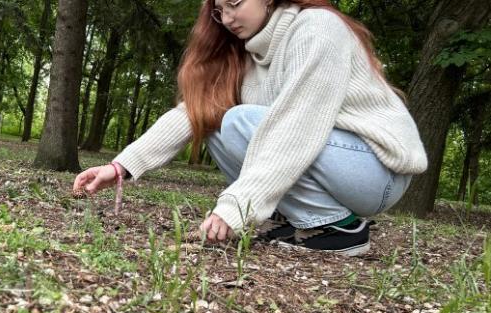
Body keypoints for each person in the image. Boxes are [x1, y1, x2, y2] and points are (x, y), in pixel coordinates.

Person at [71, 0, 427, 256]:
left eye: (235, 4)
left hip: (376, 172)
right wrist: (120, 166)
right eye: (218, 10)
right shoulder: (244, 56)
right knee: (217, 122)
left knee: (239, 120)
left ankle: (342, 229)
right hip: (335, 164)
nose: (226, 19)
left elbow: (296, 128)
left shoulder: (317, 28)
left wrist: (236, 206)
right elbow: (191, 115)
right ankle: (305, 222)